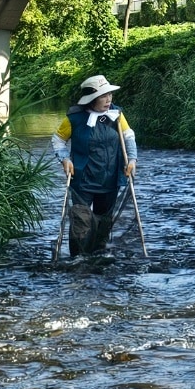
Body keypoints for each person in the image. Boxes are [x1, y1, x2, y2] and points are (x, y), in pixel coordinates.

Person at [51, 74, 138, 257]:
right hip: (82, 179)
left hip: (110, 178)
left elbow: (129, 136)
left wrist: (132, 159)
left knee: (103, 223)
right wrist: (65, 158)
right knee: (81, 222)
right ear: (91, 99)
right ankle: (78, 260)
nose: (108, 99)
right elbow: (58, 140)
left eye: (110, 95)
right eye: (103, 96)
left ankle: (98, 260)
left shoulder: (116, 115)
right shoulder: (74, 118)